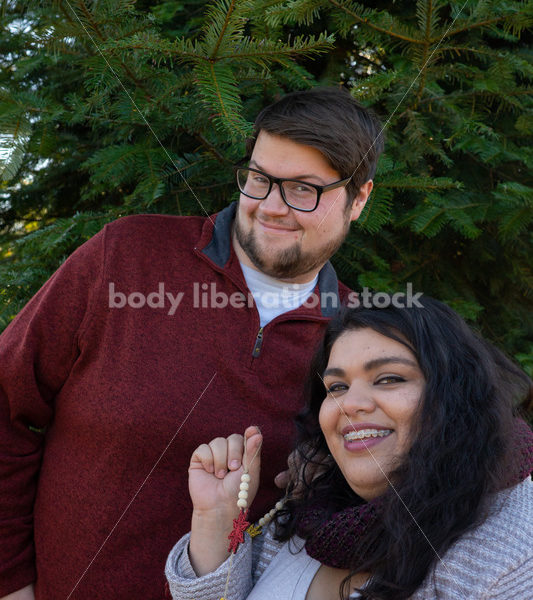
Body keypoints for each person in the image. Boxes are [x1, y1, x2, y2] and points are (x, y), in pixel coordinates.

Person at [0, 87, 384, 599]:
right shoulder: (127, 258)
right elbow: (6, 407)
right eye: (260, 179)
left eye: (303, 190)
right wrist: (11, 583)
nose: (271, 206)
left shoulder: (359, 340)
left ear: (359, 199)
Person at [166, 297, 533, 599]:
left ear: (455, 396)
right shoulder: (308, 512)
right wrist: (216, 522)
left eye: (389, 379)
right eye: (336, 387)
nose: (349, 403)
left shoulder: (516, 552)